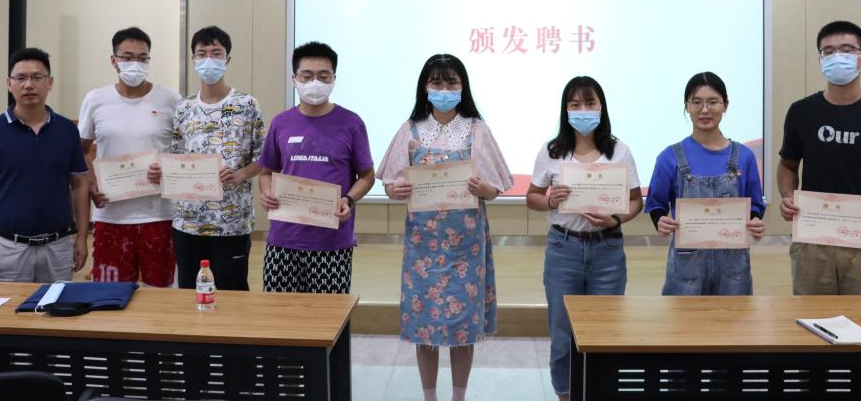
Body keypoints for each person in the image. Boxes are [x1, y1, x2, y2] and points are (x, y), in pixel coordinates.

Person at [376, 53, 513, 401]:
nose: (444, 89)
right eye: (437, 82)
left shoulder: (477, 130)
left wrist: (485, 189)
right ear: (425, 86)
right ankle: (429, 397)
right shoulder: (410, 130)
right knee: (424, 326)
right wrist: (395, 191)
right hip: (422, 247)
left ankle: (458, 397)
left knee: (462, 327)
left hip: (466, 248)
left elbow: (495, 188)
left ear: (462, 87)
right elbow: (391, 183)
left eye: (451, 82)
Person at [526, 76, 643, 401]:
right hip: (563, 248)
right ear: (565, 110)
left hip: (607, 249)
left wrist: (616, 218)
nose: (583, 110)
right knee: (563, 336)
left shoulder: (619, 151)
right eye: (575, 104)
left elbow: (636, 201)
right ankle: (565, 395)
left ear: (601, 107)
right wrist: (550, 200)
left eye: (589, 103)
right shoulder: (552, 151)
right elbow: (532, 197)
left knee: (606, 333)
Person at [778, 20, 861, 295]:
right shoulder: (801, 112)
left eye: (846, 49)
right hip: (812, 241)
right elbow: (788, 165)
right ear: (820, 60)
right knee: (812, 318)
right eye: (828, 51)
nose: (836, 56)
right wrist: (788, 197)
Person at [257, 41, 375, 293]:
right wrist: (266, 192)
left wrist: (349, 200)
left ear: (334, 79)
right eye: (306, 76)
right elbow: (266, 171)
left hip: (332, 241)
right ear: (294, 79)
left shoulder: (351, 123)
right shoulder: (281, 123)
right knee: (279, 312)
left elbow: (367, 176)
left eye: (323, 76)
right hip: (284, 239)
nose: (315, 83)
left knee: (330, 314)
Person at [0, 47, 89, 282]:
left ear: (50, 82)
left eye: (37, 77)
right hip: (8, 248)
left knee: (57, 305)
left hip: (58, 247)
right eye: (20, 78)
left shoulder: (67, 130)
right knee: (7, 307)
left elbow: (80, 184)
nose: (28, 85)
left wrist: (82, 237)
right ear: (9, 84)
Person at [644, 72, 766, 296]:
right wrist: (659, 220)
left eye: (713, 102)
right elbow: (656, 204)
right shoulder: (669, 157)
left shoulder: (745, 156)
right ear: (687, 106)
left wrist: (756, 221)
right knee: (683, 319)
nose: (705, 110)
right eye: (696, 102)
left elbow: (755, 205)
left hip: (733, 269)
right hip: (686, 267)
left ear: (725, 105)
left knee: (733, 319)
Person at [79, 26, 181, 286]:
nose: (135, 64)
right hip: (110, 216)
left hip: (160, 215)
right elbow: (82, 150)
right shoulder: (95, 99)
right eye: (127, 57)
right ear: (113, 61)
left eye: (142, 58)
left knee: (160, 294)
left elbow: (185, 151)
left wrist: (168, 170)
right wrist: (92, 184)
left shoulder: (170, 99)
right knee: (108, 295)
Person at [167, 25, 265, 290]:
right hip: (188, 222)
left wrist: (241, 174)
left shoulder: (247, 105)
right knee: (189, 292)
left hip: (231, 223)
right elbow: (176, 156)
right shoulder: (184, 107)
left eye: (216, 53)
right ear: (193, 59)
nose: (208, 59)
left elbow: (263, 157)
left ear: (227, 59)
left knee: (232, 294)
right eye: (202, 53)